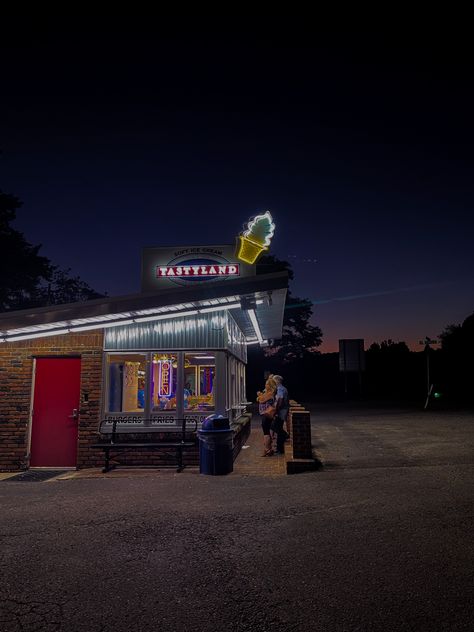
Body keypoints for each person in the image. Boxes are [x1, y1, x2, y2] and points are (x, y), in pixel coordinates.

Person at [257, 375, 277, 456]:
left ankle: (267, 450)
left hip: (266, 414)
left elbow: (261, 400)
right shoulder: (268, 393)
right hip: (264, 414)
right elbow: (261, 399)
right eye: (266, 384)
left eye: (267, 384)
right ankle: (269, 449)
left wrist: (259, 395)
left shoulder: (270, 393)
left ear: (271, 386)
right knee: (266, 431)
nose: (266, 385)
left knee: (266, 432)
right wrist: (260, 395)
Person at [272, 375, 289, 455]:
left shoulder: (280, 389)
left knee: (277, 428)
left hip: (281, 412)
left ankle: (280, 449)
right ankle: (283, 438)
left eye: (273, 381)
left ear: (277, 381)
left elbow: (280, 400)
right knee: (277, 428)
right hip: (282, 411)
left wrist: (275, 410)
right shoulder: (283, 388)